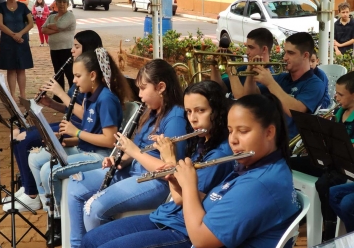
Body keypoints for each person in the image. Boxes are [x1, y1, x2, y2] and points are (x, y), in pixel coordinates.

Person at [80, 93, 300, 248]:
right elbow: (215, 200)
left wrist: (188, 184)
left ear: (269, 132)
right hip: (185, 221)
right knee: (91, 241)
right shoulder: (251, 164)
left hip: (193, 235)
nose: (233, 139)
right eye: (231, 130)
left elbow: (202, 240)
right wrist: (178, 183)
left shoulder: (260, 183)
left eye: (243, 131)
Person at [67, 59, 188, 247]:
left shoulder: (176, 118)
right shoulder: (152, 112)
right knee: (76, 186)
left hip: (155, 181)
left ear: (161, 87)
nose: (139, 95)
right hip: (132, 171)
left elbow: (170, 170)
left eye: (143, 88)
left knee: (94, 207)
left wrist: (135, 151)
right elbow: (136, 150)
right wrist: (119, 160)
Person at [28, 48, 132, 246]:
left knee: (49, 171)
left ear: (92, 75)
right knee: (38, 160)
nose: (74, 81)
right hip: (87, 148)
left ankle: (60, 219)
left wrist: (76, 133)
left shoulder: (106, 99)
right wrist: (65, 141)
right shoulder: (90, 95)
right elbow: (91, 131)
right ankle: (54, 213)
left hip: (100, 156)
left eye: (77, 76)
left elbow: (110, 141)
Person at [2, 30, 104, 214]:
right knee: (17, 134)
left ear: (88, 49)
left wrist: (60, 92)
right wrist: (50, 103)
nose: (72, 50)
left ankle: (32, 195)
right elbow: (70, 107)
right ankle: (27, 187)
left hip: (78, 128)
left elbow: (88, 115)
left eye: (77, 46)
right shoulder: (80, 74)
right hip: (70, 123)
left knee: (25, 139)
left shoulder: (92, 80)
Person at [245, 32, 325, 140]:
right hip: (268, 136)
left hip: (288, 142)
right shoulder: (282, 77)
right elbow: (249, 96)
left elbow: (296, 111)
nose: (285, 57)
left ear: (305, 55)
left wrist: (271, 83)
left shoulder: (315, 83)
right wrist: (251, 71)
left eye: (291, 53)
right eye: (285, 52)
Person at [316, 71, 354, 241]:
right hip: (338, 162)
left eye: (340, 94)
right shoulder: (339, 113)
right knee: (332, 191)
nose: (335, 97)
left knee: (344, 200)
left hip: (347, 165)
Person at [210, 28, 274, 99]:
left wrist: (231, 71)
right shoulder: (244, 68)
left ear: (264, 49)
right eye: (247, 47)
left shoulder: (269, 76)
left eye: (251, 48)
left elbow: (243, 99)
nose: (247, 52)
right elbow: (218, 88)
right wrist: (213, 64)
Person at [0, 0, 34, 100]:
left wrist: (20, 34)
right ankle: (12, 95)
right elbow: (0, 24)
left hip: (21, 40)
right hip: (8, 41)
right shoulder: (1, 6)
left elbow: (30, 23)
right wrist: (13, 35)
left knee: (21, 68)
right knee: (11, 68)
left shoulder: (22, 6)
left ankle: (23, 95)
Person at [42, 0, 75, 102]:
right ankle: (59, 96)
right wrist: (55, 28)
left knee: (70, 73)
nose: (61, 4)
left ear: (67, 4)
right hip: (54, 49)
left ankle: (73, 95)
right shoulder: (52, 16)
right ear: (56, 4)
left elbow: (60, 25)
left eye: (64, 2)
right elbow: (43, 29)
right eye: (59, 2)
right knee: (58, 73)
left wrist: (52, 27)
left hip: (67, 48)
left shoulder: (69, 16)